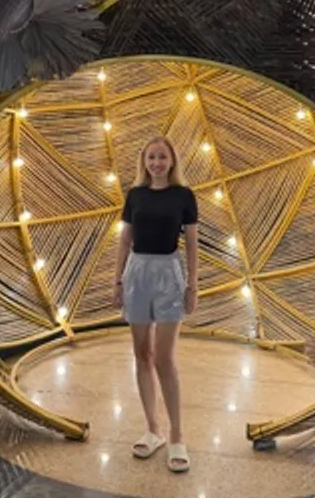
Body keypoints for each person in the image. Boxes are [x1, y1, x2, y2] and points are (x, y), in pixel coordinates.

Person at [112, 136, 199, 473]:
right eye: (151, 157)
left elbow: (192, 244)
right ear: (144, 161)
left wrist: (193, 285)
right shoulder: (134, 195)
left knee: (164, 357)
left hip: (168, 273)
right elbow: (124, 239)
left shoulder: (184, 196)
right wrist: (117, 281)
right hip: (137, 272)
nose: (157, 163)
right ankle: (153, 429)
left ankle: (177, 435)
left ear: (172, 160)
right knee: (141, 354)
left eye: (162, 157)